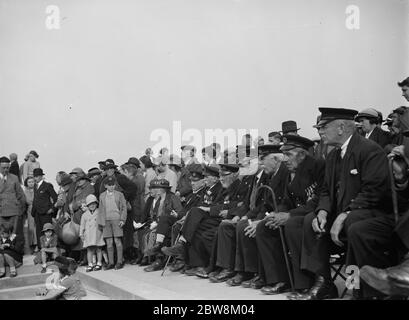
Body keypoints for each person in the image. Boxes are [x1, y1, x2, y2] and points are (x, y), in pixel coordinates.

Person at [291, 107, 392, 300]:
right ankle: (324, 284)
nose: (319, 132)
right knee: (310, 221)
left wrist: (344, 214)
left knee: (354, 225)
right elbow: (326, 191)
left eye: (323, 127)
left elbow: (374, 191)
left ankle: (357, 289)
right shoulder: (333, 156)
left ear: (341, 127)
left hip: (370, 212)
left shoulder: (369, 150)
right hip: (345, 213)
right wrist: (322, 212)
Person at [256, 135, 325, 295]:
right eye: (284, 154)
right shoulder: (291, 170)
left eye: (289, 154)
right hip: (297, 214)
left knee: (293, 224)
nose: (284, 159)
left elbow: (318, 200)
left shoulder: (318, 166)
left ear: (302, 154)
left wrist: (288, 215)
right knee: (265, 226)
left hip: (314, 214)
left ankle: (304, 283)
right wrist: (277, 213)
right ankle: (279, 279)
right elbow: (287, 200)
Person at [142, 179, 184, 272]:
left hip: (172, 222)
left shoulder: (172, 197)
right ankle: (155, 256)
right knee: (153, 231)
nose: (157, 190)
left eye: (159, 188)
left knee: (160, 231)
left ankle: (159, 259)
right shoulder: (159, 199)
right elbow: (155, 214)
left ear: (164, 189)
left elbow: (180, 211)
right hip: (161, 224)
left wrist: (174, 214)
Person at [97, 177, 127, 270]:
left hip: (116, 219)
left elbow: (123, 207)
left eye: (113, 184)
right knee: (109, 242)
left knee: (117, 241)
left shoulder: (120, 194)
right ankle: (111, 262)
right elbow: (101, 210)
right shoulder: (102, 195)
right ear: (105, 185)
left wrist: (122, 219)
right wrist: (101, 222)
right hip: (106, 220)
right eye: (109, 185)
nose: (112, 186)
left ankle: (119, 261)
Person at [32, 168, 57, 249]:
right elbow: (35, 200)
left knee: (48, 231)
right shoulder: (35, 186)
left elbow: (55, 198)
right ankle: (41, 249)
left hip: (46, 213)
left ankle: (50, 249)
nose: (35, 178)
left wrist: (52, 209)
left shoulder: (47, 185)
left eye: (36, 176)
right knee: (39, 232)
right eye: (34, 176)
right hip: (37, 213)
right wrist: (33, 212)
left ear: (41, 176)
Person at [0, 156, 26, 234]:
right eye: (3, 168)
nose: (6, 170)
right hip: (1, 212)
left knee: (13, 237)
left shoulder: (14, 178)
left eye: (8, 168)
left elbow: (20, 195)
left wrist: (20, 210)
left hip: (13, 211)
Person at [80, 194, 104, 272]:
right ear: (87, 205)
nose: (92, 205)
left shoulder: (99, 212)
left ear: (96, 204)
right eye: (90, 204)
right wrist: (81, 234)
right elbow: (82, 225)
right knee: (89, 249)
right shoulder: (84, 215)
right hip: (88, 234)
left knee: (98, 248)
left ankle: (99, 263)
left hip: (98, 233)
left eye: (93, 204)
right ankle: (90, 264)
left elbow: (103, 222)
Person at [24, 176, 38, 253]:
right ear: (26, 183)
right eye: (29, 182)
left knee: (37, 227)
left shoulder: (37, 190)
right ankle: (32, 244)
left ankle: (37, 245)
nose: (31, 183)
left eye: (32, 182)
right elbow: (25, 202)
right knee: (31, 228)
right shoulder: (25, 191)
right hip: (29, 210)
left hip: (37, 209)